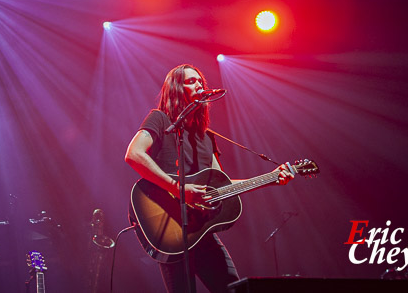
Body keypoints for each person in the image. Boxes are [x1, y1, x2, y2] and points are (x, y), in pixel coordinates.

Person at [125, 64, 294, 293]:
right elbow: (133, 154)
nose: (199, 85)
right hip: (170, 227)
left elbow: (221, 185)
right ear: (176, 89)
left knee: (232, 288)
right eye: (191, 81)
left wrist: (271, 178)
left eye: (200, 82)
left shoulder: (206, 137)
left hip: (200, 230)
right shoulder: (160, 119)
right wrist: (178, 189)